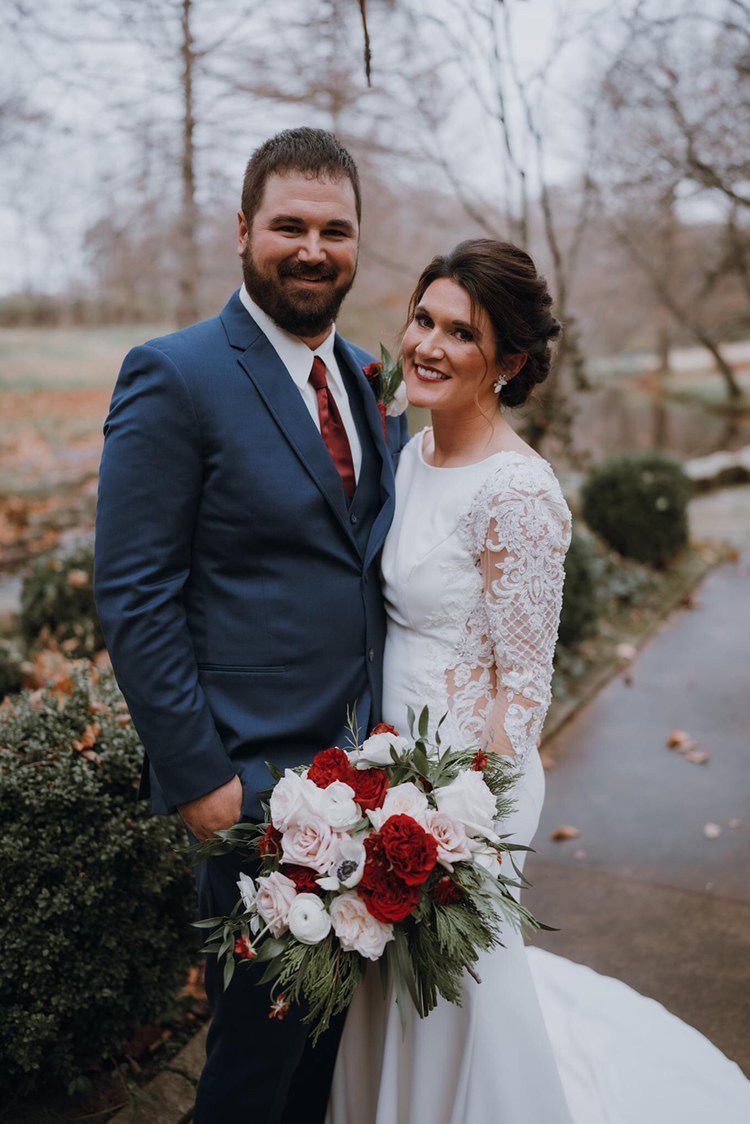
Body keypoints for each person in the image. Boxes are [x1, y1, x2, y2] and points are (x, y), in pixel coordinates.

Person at [327, 239, 750, 1123]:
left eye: (461, 333)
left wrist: (453, 820)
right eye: (423, 319)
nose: (428, 345)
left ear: (509, 361)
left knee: (456, 1000)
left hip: (470, 787)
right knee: (386, 995)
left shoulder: (518, 495)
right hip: (385, 765)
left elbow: (523, 690)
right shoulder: (409, 456)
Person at [94, 127, 408, 1124]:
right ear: (242, 231)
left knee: (320, 1051)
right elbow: (135, 586)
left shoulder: (366, 380)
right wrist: (199, 778)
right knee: (249, 1063)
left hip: (367, 777)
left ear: (357, 243)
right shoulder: (175, 373)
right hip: (250, 779)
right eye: (289, 226)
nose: (313, 248)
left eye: (335, 229)